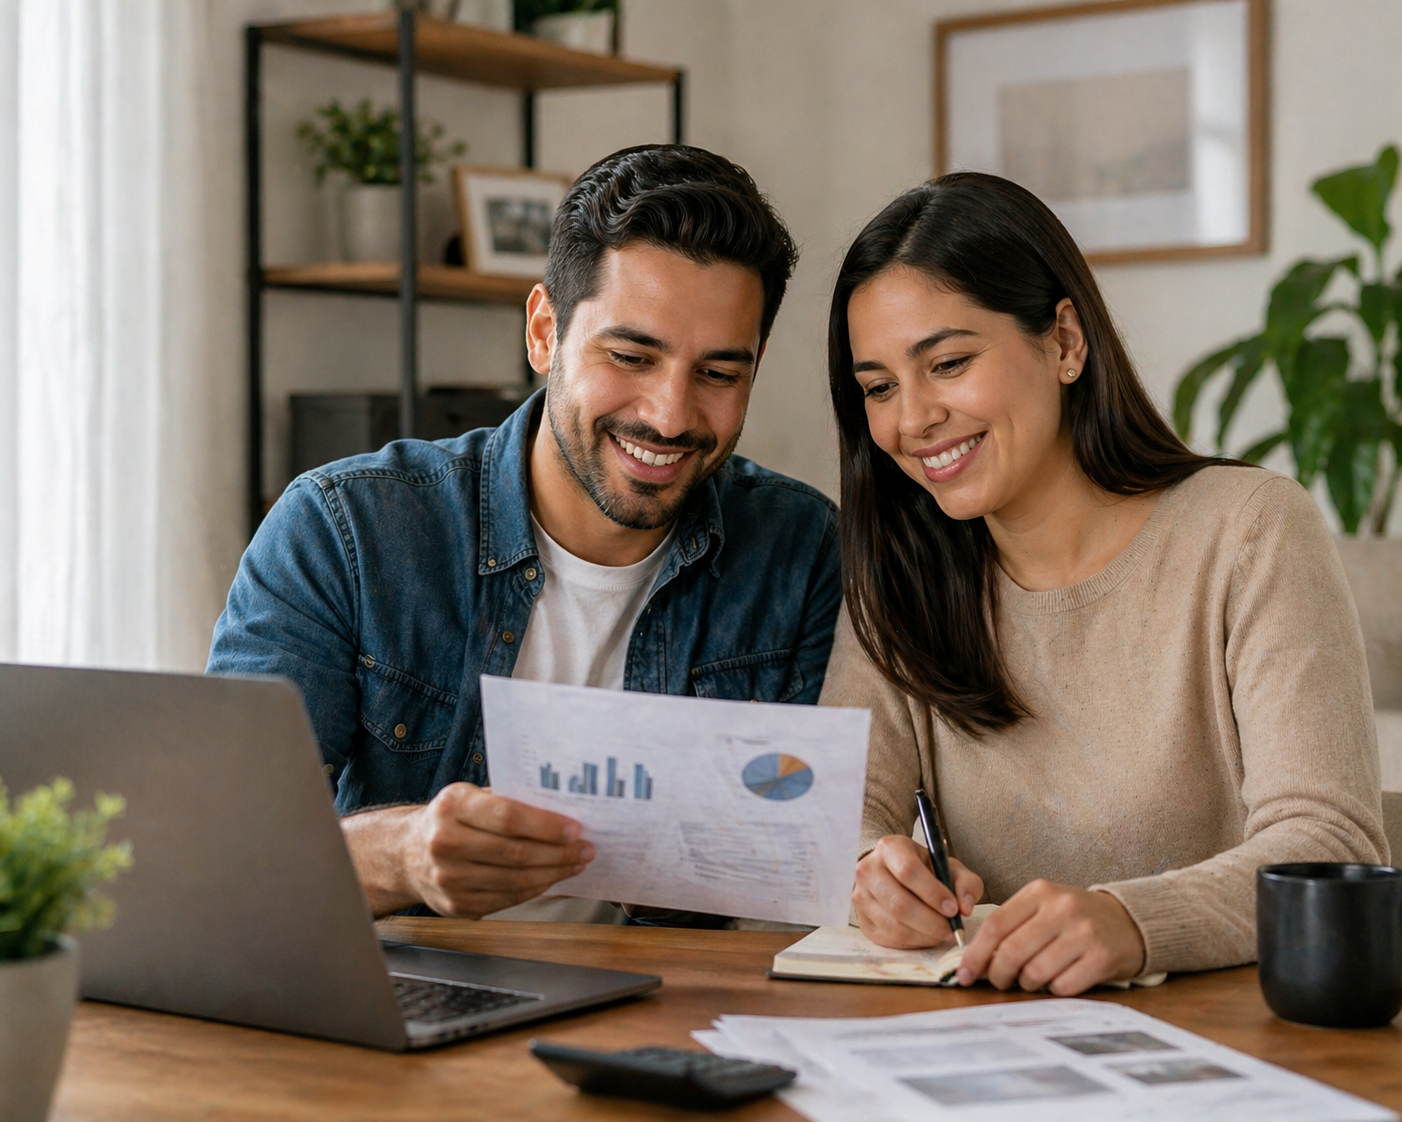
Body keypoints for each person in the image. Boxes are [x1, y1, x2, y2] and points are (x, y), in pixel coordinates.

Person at [208, 145, 842, 925]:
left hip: (665, 1022)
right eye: (631, 355)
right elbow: (223, 854)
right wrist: (401, 856)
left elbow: (822, 855)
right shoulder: (343, 530)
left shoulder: (801, 549)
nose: (671, 415)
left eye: (718, 374)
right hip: (414, 1010)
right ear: (544, 332)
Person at [821, 172, 1387, 995]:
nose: (911, 421)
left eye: (947, 363)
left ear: (1064, 342)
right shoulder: (899, 572)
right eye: (878, 388)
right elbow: (840, 821)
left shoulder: (1250, 529)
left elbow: (1328, 844)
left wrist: (1132, 924)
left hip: (1223, 1044)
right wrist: (874, 871)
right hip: (985, 1043)